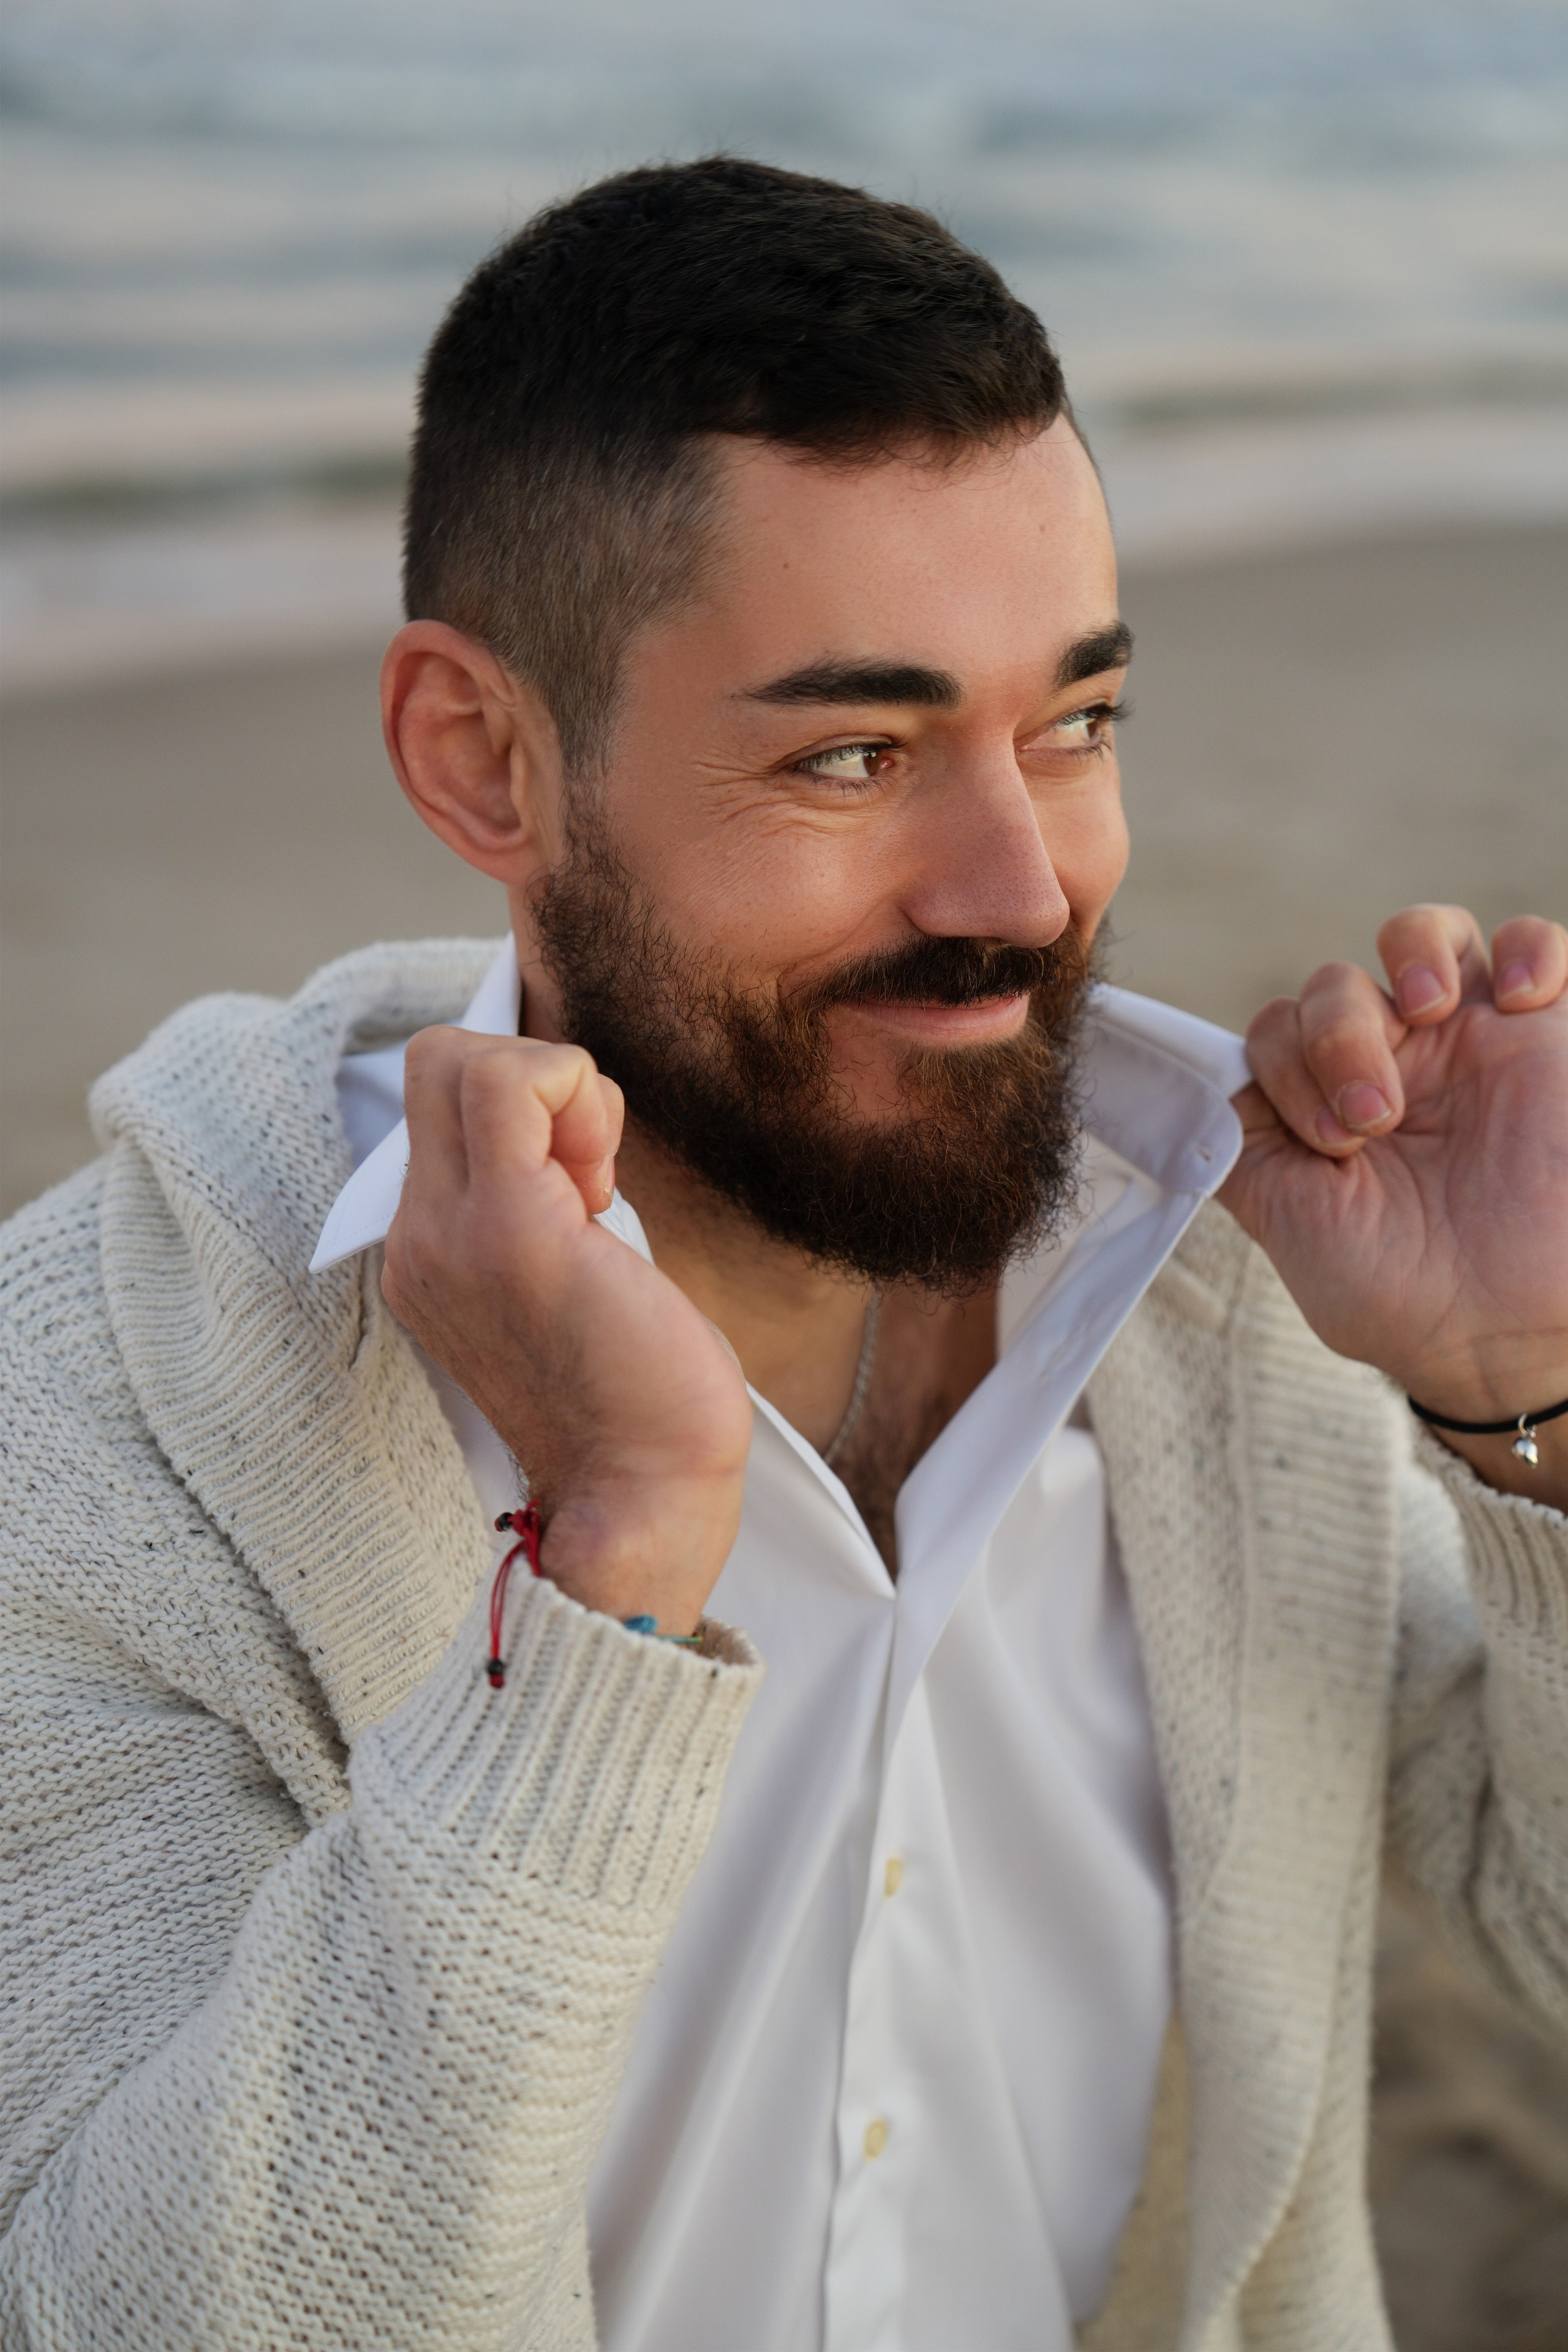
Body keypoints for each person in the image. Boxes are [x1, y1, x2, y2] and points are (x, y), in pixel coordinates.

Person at [1, 156, 1564, 2352]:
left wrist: (1518, 1403)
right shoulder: (92, 1409)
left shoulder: (1220, 1294)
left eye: (1078, 721)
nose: (1021, 886)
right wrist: (610, 1579)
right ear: (485, 759)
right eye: (856, 750)